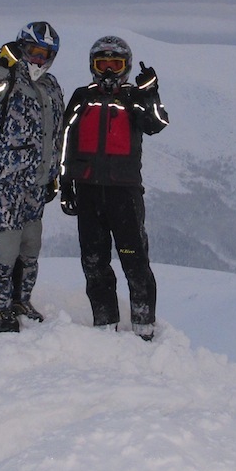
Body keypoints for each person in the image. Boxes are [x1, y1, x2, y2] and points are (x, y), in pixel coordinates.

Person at [59, 35, 169, 339]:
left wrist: (150, 93)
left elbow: (156, 124)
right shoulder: (82, 96)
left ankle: (144, 326)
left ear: (126, 67)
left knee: (135, 261)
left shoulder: (134, 97)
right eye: (102, 64)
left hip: (125, 194)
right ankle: (105, 326)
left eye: (115, 64)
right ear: (92, 66)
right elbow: (65, 140)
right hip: (88, 190)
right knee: (94, 263)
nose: (108, 70)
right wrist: (65, 183)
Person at [0, 20, 65, 332]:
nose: (38, 58)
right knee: (5, 245)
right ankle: (0, 307)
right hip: (6, 180)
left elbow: (56, 134)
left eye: (45, 53)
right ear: (21, 48)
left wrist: (54, 173)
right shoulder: (6, 77)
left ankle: (21, 300)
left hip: (37, 181)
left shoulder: (51, 86)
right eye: (33, 51)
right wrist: (2, 65)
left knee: (30, 245)